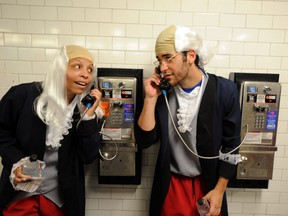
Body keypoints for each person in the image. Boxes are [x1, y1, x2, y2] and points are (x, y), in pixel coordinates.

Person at [135, 25, 241, 216]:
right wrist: (150, 99)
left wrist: (220, 190)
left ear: (191, 56)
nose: (162, 67)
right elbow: (144, 140)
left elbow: (231, 146)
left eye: (168, 58)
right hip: (171, 186)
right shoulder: (163, 93)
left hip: (208, 185)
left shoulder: (225, 91)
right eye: (159, 60)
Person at [0, 45, 103, 216]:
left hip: (60, 200)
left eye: (90, 69)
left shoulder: (86, 111)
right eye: (77, 66)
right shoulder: (22, 95)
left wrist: (88, 117)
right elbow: (2, 134)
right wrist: (17, 161)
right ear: (60, 68)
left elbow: (88, 156)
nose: (86, 74)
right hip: (19, 197)